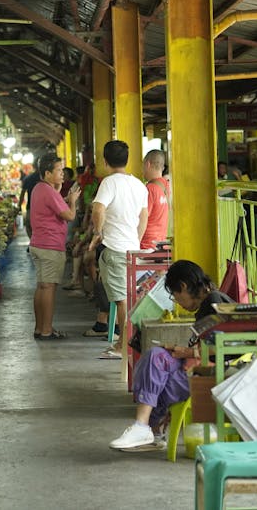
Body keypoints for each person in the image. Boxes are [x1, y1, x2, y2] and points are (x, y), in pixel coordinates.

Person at [109, 260, 232, 451]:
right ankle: (148, 429)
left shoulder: (213, 302)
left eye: (175, 296)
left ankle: (148, 429)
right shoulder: (212, 301)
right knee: (154, 358)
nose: (178, 303)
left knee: (156, 365)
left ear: (183, 287)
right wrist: (184, 351)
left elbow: (224, 348)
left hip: (213, 374)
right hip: (204, 367)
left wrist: (188, 352)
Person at [86, 141, 148, 357]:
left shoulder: (109, 183)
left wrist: (98, 232)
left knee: (121, 299)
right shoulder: (139, 185)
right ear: (128, 159)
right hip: (132, 248)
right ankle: (126, 342)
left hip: (114, 248)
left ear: (104, 161)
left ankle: (124, 344)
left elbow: (98, 209)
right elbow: (143, 217)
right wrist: (136, 240)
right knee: (130, 297)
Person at [29, 153, 80, 339]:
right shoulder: (48, 191)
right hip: (49, 246)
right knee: (49, 287)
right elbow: (70, 216)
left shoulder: (39, 189)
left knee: (42, 286)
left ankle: (39, 328)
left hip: (39, 243)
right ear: (48, 173)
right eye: (58, 170)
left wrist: (59, 192)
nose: (62, 174)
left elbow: (52, 205)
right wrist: (73, 201)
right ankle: (46, 330)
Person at [140, 150, 170, 252]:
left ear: (148, 164)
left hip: (146, 244)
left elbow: (143, 216)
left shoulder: (150, 188)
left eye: (143, 166)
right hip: (160, 243)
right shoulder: (166, 186)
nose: (142, 170)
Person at [19, 160, 41, 237]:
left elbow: (22, 193)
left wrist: (19, 205)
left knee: (29, 226)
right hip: (45, 208)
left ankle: (33, 242)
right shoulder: (48, 176)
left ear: (33, 166)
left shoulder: (29, 178)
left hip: (31, 207)